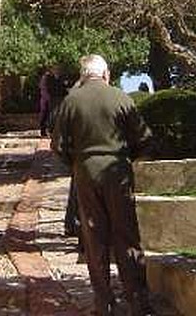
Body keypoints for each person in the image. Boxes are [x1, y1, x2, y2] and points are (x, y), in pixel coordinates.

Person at [51, 54, 155, 316]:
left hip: (85, 172)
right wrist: (125, 157)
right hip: (117, 170)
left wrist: (77, 163)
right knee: (126, 234)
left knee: (94, 237)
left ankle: (103, 302)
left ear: (83, 75)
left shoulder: (70, 101)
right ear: (106, 73)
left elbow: (58, 146)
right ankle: (137, 300)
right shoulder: (120, 97)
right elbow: (144, 137)